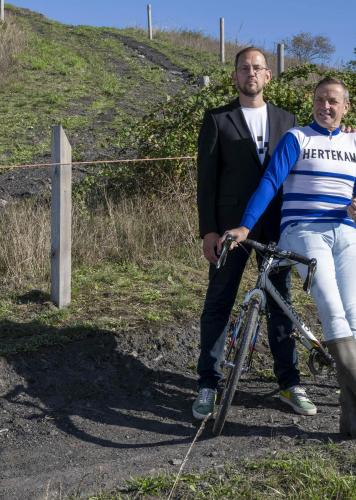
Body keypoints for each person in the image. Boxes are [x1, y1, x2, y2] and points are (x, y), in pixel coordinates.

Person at [224, 77, 356, 438]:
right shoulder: (298, 138)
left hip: (347, 233)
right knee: (331, 308)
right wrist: (246, 227)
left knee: (354, 317)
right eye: (319, 100)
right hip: (304, 230)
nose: (325, 106)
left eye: (333, 101)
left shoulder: (354, 140)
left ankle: (351, 417)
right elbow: (270, 181)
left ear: (346, 107)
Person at [193, 46, 316, 421]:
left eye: (257, 67)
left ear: (268, 76)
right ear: (235, 76)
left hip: (276, 226)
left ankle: (289, 383)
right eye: (244, 67)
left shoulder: (287, 119)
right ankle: (208, 385)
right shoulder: (217, 119)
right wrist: (209, 231)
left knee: (281, 304)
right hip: (231, 229)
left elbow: (310, 157)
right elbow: (206, 181)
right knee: (220, 302)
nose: (251, 72)